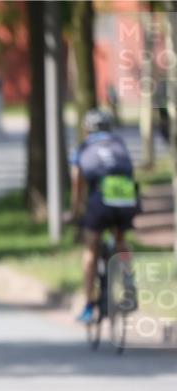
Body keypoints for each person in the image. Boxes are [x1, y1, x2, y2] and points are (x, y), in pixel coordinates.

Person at [70, 109, 140, 323]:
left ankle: (88, 305)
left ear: (86, 130)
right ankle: (129, 285)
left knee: (91, 249)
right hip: (126, 196)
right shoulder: (119, 144)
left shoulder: (83, 148)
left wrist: (74, 212)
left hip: (100, 200)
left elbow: (77, 183)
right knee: (120, 240)